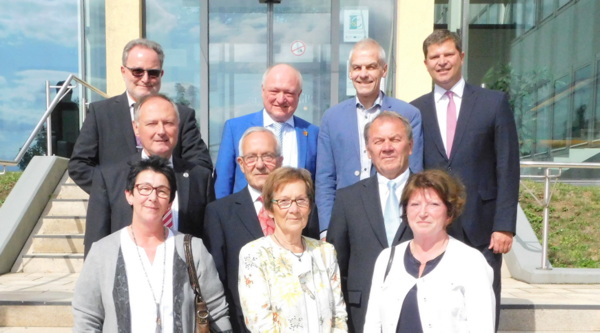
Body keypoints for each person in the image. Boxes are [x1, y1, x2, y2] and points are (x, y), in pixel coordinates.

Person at [410, 29, 519, 327]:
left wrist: (504, 226)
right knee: (437, 307)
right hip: (434, 227)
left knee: (482, 305)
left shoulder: (493, 103)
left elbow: (507, 167)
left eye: (448, 54)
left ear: (461, 56)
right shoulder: (416, 110)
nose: (442, 62)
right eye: (435, 57)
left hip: (482, 228)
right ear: (426, 63)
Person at [72, 156, 231, 332]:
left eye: (162, 191)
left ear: (170, 203)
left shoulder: (193, 249)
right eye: (144, 188)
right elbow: (87, 317)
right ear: (129, 195)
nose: (152, 197)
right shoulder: (103, 253)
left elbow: (217, 313)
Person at [204, 127, 320, 332]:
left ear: (280, 160)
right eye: (251, 157)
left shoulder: (301, 208)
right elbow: (217, 281)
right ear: (241, 164)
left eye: (267, 156)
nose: (259, 165)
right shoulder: (220, 213)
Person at [69, 38, 212, 194]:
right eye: (137, 71)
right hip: (118, 212)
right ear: (124, 71)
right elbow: (79, 166)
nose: (145, 79)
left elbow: (201, 165)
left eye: (153, 73)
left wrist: (164, 189)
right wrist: (122, 191)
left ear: (161, 74)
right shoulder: (101, 113)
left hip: (168, 210)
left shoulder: (182, 115)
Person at [364, 169, 495, 332]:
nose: (423, 213)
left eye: (433, 204)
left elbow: (482, 326)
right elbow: (372, 324)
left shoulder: (470, 261)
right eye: (415, 204)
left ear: (449, 213)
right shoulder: (387, 259)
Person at [316, 38, 423, 235]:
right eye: (357, 68)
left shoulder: (408, 114)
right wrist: (326, 229)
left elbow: (415, 171)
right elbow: (325, 179)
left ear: (384, 70)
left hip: (394, 216)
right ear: (350, 72)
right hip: (346, 220)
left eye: (371, 67)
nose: (363, 74)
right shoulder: (332, 118)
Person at [84, 94, 214, 256]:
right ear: (136, 128)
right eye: (152, 123)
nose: (161, 131)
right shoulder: (109, 177)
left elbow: (209, 241)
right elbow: (96, 242)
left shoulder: (200, 177)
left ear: (178, 127)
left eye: (168, 123)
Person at [327, 111, 415, 332]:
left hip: (416, 311)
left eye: (395, 139)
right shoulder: (348, 199)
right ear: (368, 151)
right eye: (378, 141)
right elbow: (337, 264)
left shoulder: (431, 195)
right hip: (361, 312)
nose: (387, 148)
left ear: (410, 146)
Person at [238, 167, 347, 332]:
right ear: (269, 209)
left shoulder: (325, 252)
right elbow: (259, 323)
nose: (294, 209)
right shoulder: (254, 254)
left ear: (310, 207)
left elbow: (338, 316)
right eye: (284, 201)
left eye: (301, 200)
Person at [214, 63, 318, 199]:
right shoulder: (235, 129)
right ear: (263, 91)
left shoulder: (313, 134)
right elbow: (223, 183)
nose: (281, 99)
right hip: (246, 217)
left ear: (299, 94)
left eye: (288, 93)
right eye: (274, 91)